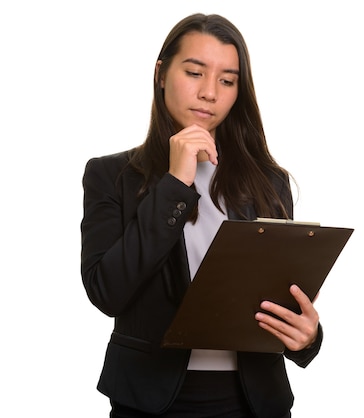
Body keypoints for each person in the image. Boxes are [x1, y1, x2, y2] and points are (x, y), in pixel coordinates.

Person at [80, 13, 322, 418]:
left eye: (227, 81)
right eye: (195, 72)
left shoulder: (268, 182)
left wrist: (307, 337)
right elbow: (108, 291)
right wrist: (175, 182)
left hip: (254, 401)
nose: (209, 93)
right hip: (150, 400)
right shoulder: (111, 176)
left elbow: (279, 296)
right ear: (161, 74)